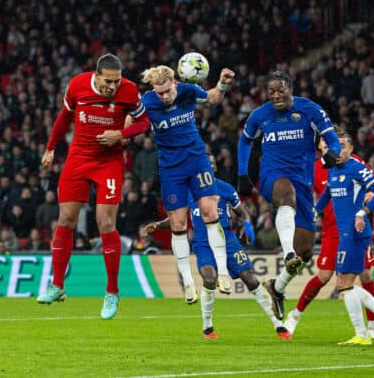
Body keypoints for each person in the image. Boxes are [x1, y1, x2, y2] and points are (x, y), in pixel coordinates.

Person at [103, 64, 235, 304]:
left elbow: (214, 98)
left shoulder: (188, 90)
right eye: (159, 92)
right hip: (171, 168)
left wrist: (223, 82)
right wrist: (121, 137)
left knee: (210, 211)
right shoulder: (148, 102)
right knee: (178, 224)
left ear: (174, 83)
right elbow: (131, 118)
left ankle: (224, 272)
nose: (164, 97)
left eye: (167, 91)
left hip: (197, 160)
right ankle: (187, 282)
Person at [36, 54, 151, 320]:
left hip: (108, 163)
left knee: (105, 224)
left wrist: (120, 134)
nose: (113, 86)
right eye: (108, 81)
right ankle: (57, 286)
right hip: (78, 158)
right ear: (96, 76)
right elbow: (64, 117)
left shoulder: (129, 90)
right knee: (65, 219)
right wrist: (50, 148)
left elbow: (144, 122)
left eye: (117, 80)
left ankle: (112, 292)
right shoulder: (77, 85)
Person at [145, 155, 290, 339]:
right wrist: (158, 225)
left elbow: (241, 212)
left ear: (213, 168)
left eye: (210, 164)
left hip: (228, 240)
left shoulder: (225, 189)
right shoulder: (188, 191)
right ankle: (207, 327)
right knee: (209, 277)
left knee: (250, 279)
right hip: (203, 243)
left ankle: (278, 325)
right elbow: (177, 218)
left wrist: (247, 226)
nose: (207, 166)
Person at [237, 71, 341, 320]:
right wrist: (242, 173)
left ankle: (277, 287)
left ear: (290, 88)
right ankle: (287, 254)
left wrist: (330, 154)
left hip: (303, 182)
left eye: (280, 90)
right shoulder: (260, 115)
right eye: (271, 91)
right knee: (286, 194)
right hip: (272, 175)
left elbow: (334, 141)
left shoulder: (310, 110)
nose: (276, 95)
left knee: (305, 250)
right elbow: (244, 142)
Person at [284, 134, 374, 339]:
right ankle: (295, 316)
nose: (327, 145)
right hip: (331, 230)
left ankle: (372, 326)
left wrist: (366, 203)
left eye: (331, 142)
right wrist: (310, 212)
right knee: (324, 276)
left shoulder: (354, 163)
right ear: (319, 145)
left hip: (354, 227)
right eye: (324, 142)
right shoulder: (315, 167)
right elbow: (310, 193)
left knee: (365, 274)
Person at [305, 131, 374, 345]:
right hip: (344, 233)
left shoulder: (356, 167)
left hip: (355, 234)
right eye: (337, 146)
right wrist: (315, 211)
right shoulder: (333, 168)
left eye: (344, 146)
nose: (339, 150)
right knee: (344, 282)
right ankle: (368, 329)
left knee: (345, 282)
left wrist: (362, 213)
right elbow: (327, 193)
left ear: (351, 148)